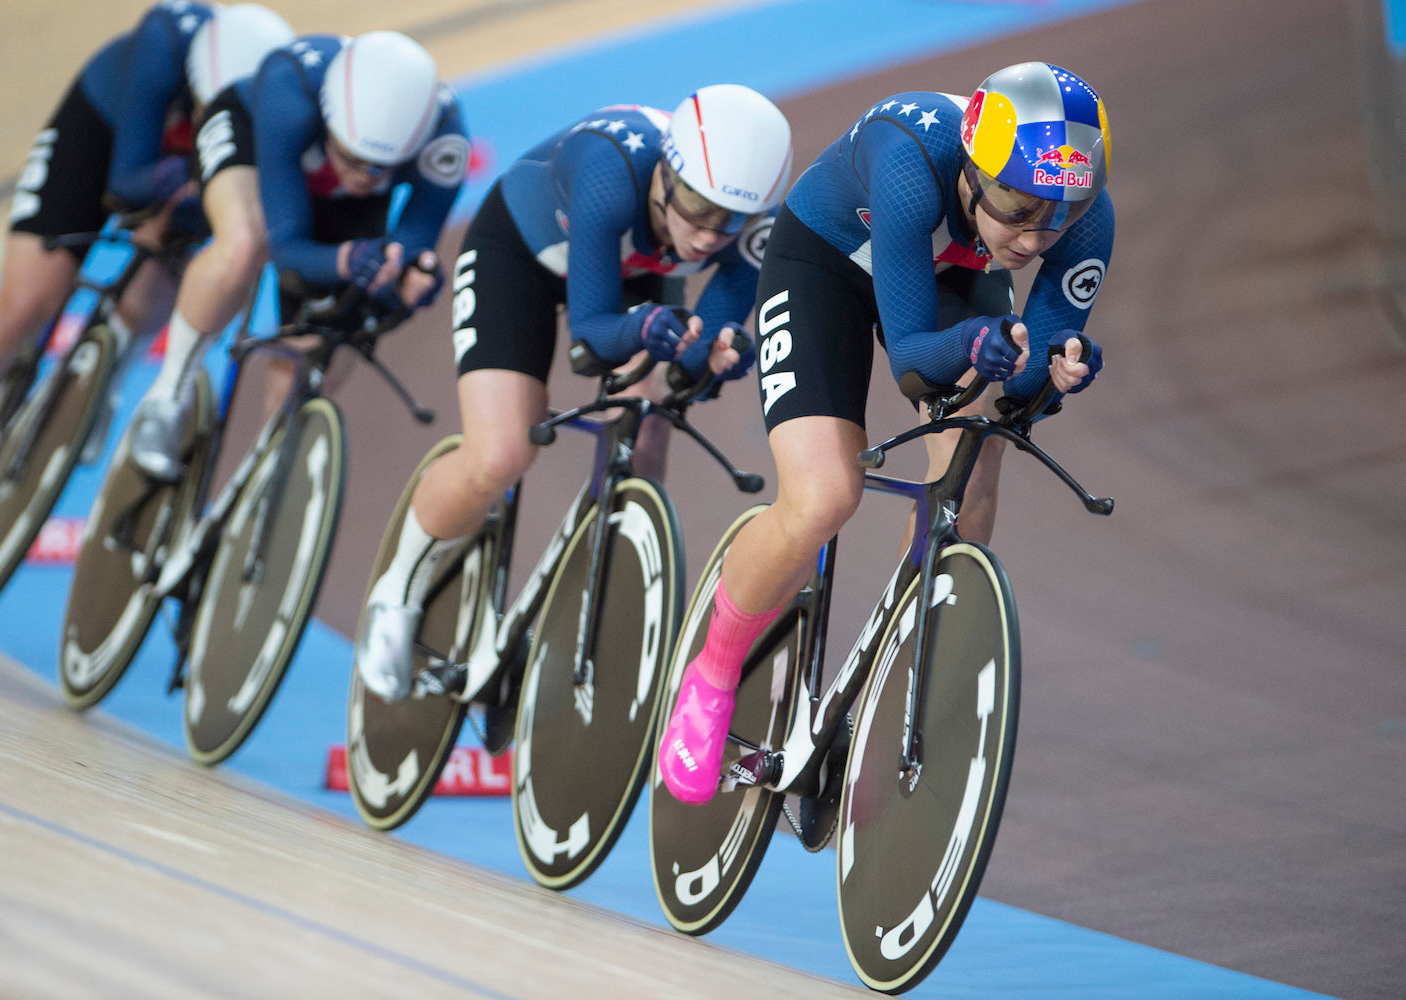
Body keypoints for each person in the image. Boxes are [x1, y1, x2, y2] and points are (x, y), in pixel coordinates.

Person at [657, 62, 1114, 804]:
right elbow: (910, 358)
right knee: (824, 496)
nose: (1033, 237)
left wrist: (1059, 367)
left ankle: (893, 673)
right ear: (971, 172)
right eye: (1015, 206)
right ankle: (711, 675)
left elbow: (1027, 382)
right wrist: (978, 345)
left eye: (1055, 214)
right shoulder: (909, 165)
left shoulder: (1083, 213)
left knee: (973, 468)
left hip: (951, 273)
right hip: (826, 264)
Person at [353, 84, 795, 701]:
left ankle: (600, 581)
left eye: (731, 221)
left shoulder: (750, 228)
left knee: (646, 420)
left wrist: (716, 355)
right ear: (665, 174)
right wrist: (648, 332)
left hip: (634, 276)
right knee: (501, 452)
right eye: (696, 205)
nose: (706, 235)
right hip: (522, 255)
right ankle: (395, 593)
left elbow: (697, 351)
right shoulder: (608, 173)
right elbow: (592, 333)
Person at [0, 2, 291, 542]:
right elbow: (127, 184)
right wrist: (188, 194)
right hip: (104, 135)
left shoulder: (271, 109)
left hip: (178, 175)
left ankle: (110, 371)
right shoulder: (162, 48)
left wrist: (194, 207)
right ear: (195, 84)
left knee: (162, 273)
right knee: (25, 306)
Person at [127, 29, 469, 480]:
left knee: (331, 334)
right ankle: (166, 398)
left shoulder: (445, 140)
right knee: (246, 243)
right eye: (350, 157)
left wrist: (410, 271)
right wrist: (347, 259)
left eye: (379, 167)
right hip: (256, 138)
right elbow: (288, 251)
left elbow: (412, 243)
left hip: (330, 188)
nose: (362, 176)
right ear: (330, 118)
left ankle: (262, 480)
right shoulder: (292, 97)